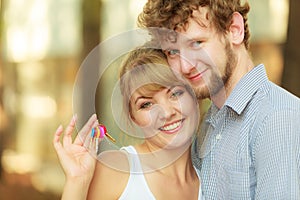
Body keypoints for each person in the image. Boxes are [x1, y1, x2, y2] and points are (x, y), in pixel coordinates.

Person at [137, 0, 300, 199]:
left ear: (234, 30)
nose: (185, 66)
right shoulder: (209, 123)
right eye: (173, 52)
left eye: (196, 43)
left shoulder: (277, 118)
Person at [53, 46, 205, 199]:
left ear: (195, 96)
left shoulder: (211, 181)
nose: (166, 113)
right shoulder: (116, 169)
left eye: (176, 94)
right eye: (147, 104)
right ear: (133, 117)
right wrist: (77, 180)